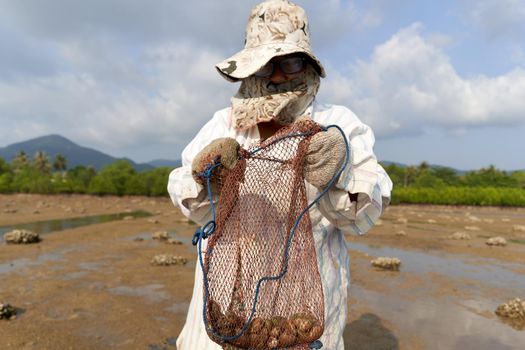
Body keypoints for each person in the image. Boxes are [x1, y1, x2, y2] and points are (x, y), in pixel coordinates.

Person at [167, 0, 393, 349]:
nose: (275, 76)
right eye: (262, 66)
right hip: (225, 301)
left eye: (288, 62)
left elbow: (364, 212)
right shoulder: (222, 125)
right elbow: (188, 199)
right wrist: (204, 180)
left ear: (307, 65)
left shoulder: (340, 125)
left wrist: (338, 173)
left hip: (303, 308)